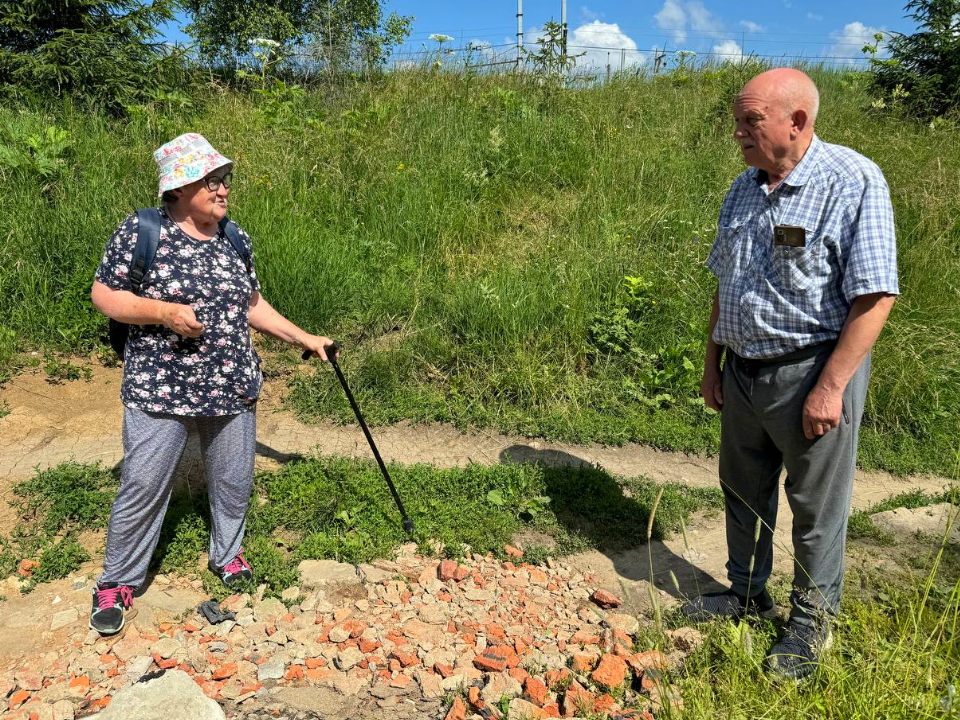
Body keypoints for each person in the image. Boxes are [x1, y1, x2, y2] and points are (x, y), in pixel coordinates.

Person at [681, 69, 899, 679]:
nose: (739, 134)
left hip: (811, 373)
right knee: (742, 490)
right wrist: (713, 362)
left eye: (751, 121)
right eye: (738, 122)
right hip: (743, 374)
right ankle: (748, 596)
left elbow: (875, 295)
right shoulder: (743, 190)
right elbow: (726, 283)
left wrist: (830, 387)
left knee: (815, 507)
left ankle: (812, 625)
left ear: (797, 121)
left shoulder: (851, 180)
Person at [89, 133, 335, 635]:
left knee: (232, 481)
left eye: (224, 181)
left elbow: (251, 305)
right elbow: (105, 294)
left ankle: (227, 555)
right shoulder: (143, 229)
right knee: (143, 484)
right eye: (211, 181)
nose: (223, 190)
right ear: (179, 187)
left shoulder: (234, 237)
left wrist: (303, 337)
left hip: (232, 386)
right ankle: (118, 581)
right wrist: (162, 312)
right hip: (160, 389)